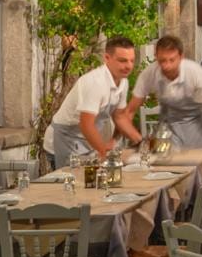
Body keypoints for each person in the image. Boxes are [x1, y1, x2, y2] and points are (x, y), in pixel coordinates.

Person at [120, 35, 202, 158]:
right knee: (163, 166)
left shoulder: (196, 72)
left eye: (172, 60)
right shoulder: (149, 74)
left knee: (197, 167)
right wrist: (132, 140)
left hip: (197, 129)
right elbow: (130, 111)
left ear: (181, 57)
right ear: (156, 57)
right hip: (167, 131)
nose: (167, 66)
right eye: (162, 60)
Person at [44, 36, 143, 167]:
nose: (129, 66)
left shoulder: (123, 82)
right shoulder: (95, 82)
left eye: (132, 60)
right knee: (73, 179)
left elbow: (120, 117)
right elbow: (86, 125)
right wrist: (104, 152)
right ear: (107, 58)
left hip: (86, 142)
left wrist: (138, 141)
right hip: (63, 140)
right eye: (122, 60)